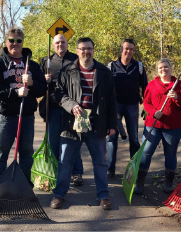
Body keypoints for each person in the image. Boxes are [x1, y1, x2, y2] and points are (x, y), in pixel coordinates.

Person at [50, 37, 117, 210]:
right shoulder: (68, 70)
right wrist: (71, 105)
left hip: (97, 125)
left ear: (93, 50)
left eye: (89, 48)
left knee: (100, 162)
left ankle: (103, 195)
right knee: (65, 161)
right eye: (82, 49)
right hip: (72, 125)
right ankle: (59, 195)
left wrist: (112, 124)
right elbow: (58, 93)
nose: (86, 52)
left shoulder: (104, 71)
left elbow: (111, 100)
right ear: (77, 51)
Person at [0, 26, 47, 190]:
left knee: (27, 155)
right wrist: (15, 92)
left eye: (19, 41)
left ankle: (24, 189)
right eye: (12, 40)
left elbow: (42, 89)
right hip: (5, 118)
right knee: (0, 156)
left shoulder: (33, 66)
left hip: (26, 117)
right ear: (6, 42)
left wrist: (33, 84)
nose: (15, 43)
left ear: (23, 42)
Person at [134, 58, 181, 194]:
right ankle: (139, 183)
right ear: (157, 70)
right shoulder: (152, 85)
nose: (163, 70)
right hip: (152, 125)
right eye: (160, 68)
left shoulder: (179, 85)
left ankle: (168, 184)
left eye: (166, 67)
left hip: (173, 127)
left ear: (170, 68)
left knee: (170, 154)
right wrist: (153, 113)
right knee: (146, 153)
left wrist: (177, 97)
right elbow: (146, 103)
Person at [40, 34, 84, 186]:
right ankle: (56, 171)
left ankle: (77, 172)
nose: (60, 44)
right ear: (53, 45)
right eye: (57, 42)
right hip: (52, 108)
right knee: (54, 142)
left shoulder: (75, 59)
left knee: (73, 142)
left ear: (67, 44)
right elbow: (39, 87)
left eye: (62, 42)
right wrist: (43, 80)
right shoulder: (47, 61)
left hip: (72, 109)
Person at [106, 39, 148, 179]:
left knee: (134, 139)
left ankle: (133, 169)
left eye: (131, 49)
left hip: (132, 106)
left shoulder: (139, 66)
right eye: (126, 49)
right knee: (112, 137)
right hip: (115, 107)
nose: (129, 51)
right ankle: (110, 170)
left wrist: (147, 106)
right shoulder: (111, 66)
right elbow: (105, 88)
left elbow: (146, 88)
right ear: (121, 49)